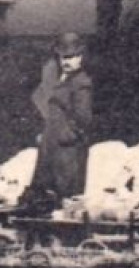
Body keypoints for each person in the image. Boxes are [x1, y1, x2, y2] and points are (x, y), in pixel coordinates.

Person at [28, 32, 95, 202]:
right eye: (63, 57)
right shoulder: (62, 79)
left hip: (68, 154)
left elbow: (83, 119)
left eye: (71, 57)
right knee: (45, 196)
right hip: (52, 150)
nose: (66, 61)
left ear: (80, 57)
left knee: (65, 198)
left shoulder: (81, 83)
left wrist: (65, 135)